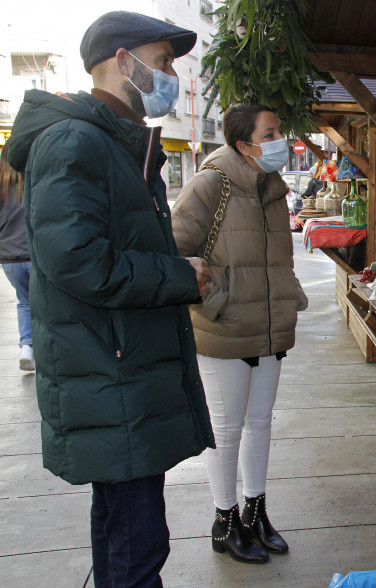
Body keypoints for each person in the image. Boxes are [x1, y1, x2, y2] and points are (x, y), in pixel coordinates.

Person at [5, 11, 214, 587]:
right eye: (164, 62)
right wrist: (177, 276)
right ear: (124, 62)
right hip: (111, 374)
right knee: (137, 544)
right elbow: (78, 261)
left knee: (126, 533)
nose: (171, 74)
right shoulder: (74, 141)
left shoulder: (113, 142)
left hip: (121, 370)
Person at [171, 104, 308, 564]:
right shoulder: (213, 182)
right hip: (225, 330)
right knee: (226, 430)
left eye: (279, 131)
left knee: (261, 423)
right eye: (270, 133)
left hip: (269, 329)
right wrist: (216, 300)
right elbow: (174, 250)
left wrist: (287, 294)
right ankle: (225, 521)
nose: (279, 140)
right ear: (243, 143)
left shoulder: (272, 187)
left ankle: (255, 511)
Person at [0, 146, 34, 371]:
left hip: (8, 257)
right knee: (44, 304)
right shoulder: (31, 183)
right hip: (33, 254)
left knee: (24, 301)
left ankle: (27, 347)